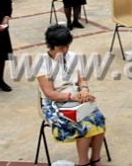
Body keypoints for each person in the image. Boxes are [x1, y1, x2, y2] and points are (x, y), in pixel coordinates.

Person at [37, 24, 106, 165]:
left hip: (75, 98)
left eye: (67, 46)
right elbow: (49, 93)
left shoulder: (73, 56)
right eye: (61, 48)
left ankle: (96, 158)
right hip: (54, 104)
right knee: (84, 125)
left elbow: (82, 79)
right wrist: (72, 97)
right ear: (51, 46)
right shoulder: (42, 63)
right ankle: (83, 161)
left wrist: (84, 89)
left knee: (99, 118)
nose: (65, 50)